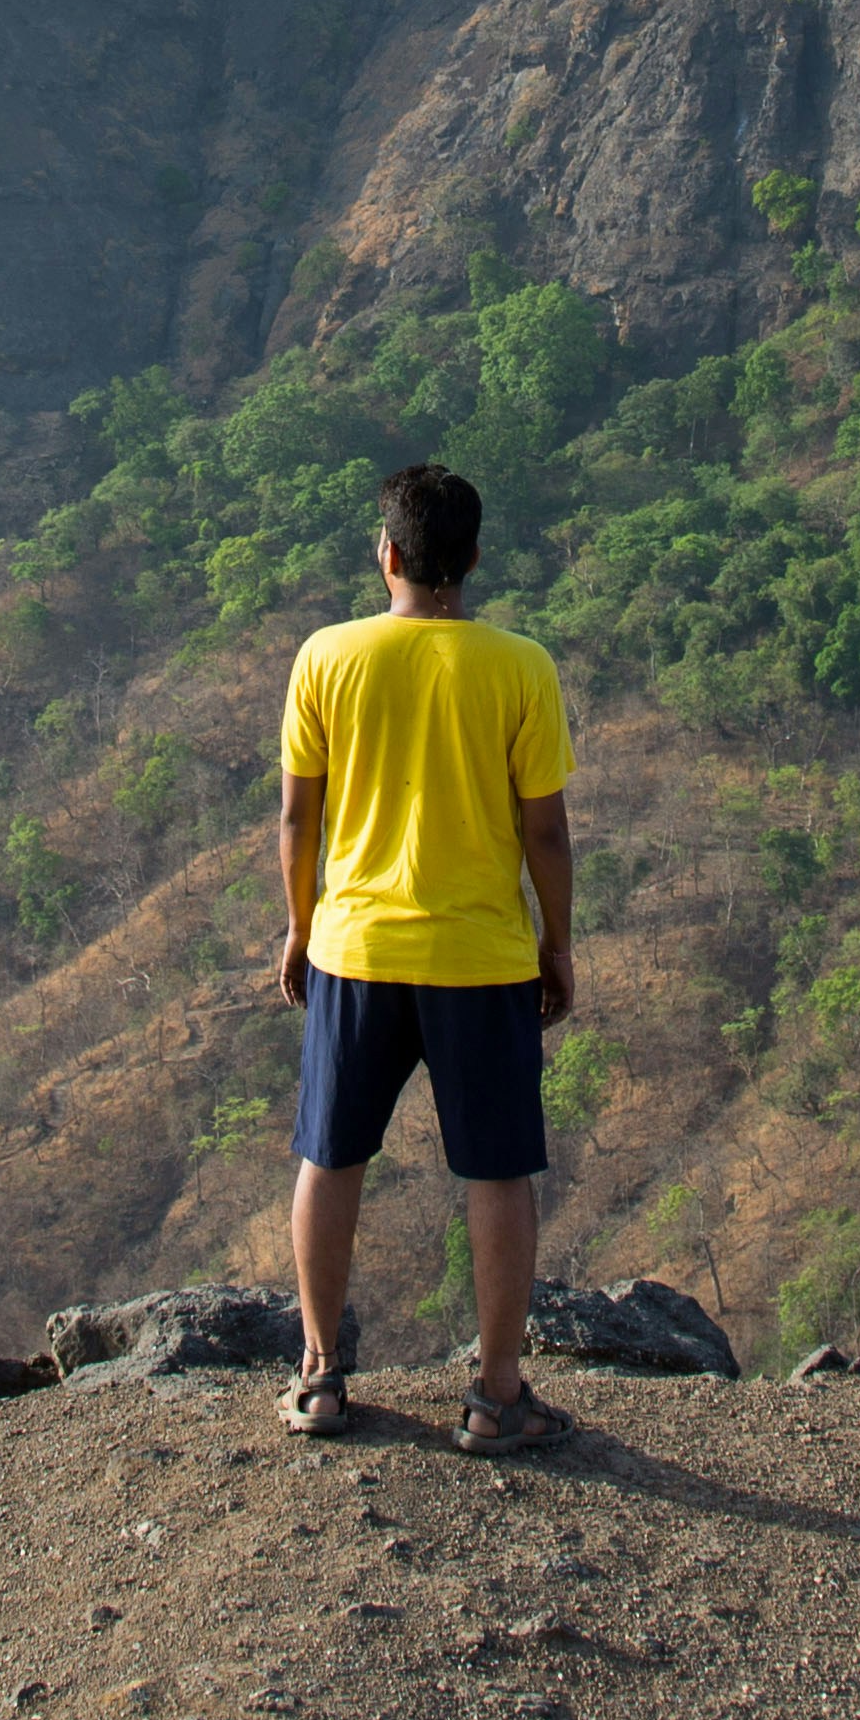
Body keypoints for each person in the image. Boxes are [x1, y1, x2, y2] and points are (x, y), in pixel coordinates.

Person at [267, 459, 580, 1454]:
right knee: (496, 1174)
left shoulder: (326, 656)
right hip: (482, 958)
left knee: (331, 1155)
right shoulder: (520, 667)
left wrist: (300, 926)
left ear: (388, 554)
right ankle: (495, 1398)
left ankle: (319, 1377)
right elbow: (547, 835)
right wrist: (558, 942)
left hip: (356, 950)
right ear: (474, 559)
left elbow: (296, 815)